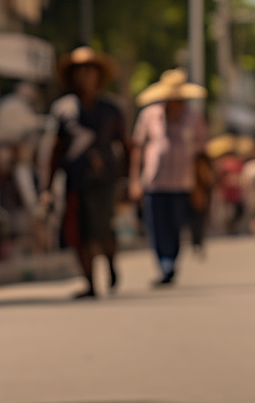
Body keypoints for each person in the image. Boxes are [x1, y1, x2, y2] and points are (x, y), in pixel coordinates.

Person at [43, 47, 128, 299]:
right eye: (79, 71)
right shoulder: (63, 109)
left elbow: (125, 145)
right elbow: (56, 151)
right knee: (78, 232)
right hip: (75, 180)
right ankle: (90, 282)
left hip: (104, 180)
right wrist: (47, 187)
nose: (84, 76)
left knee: (101, 230)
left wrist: (126, 179)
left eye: (89, 70)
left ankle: (110, 263)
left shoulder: (111, 109)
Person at [129, 69, 208, 285]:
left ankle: (171, 261)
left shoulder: (194, 118)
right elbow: (138, 148)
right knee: (156, 225)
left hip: (183, 182)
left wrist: (201, 186)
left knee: (175, 224)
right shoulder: (150, 115)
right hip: (154, 181)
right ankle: (164, 264)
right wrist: (134, 180)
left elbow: (201, 154)